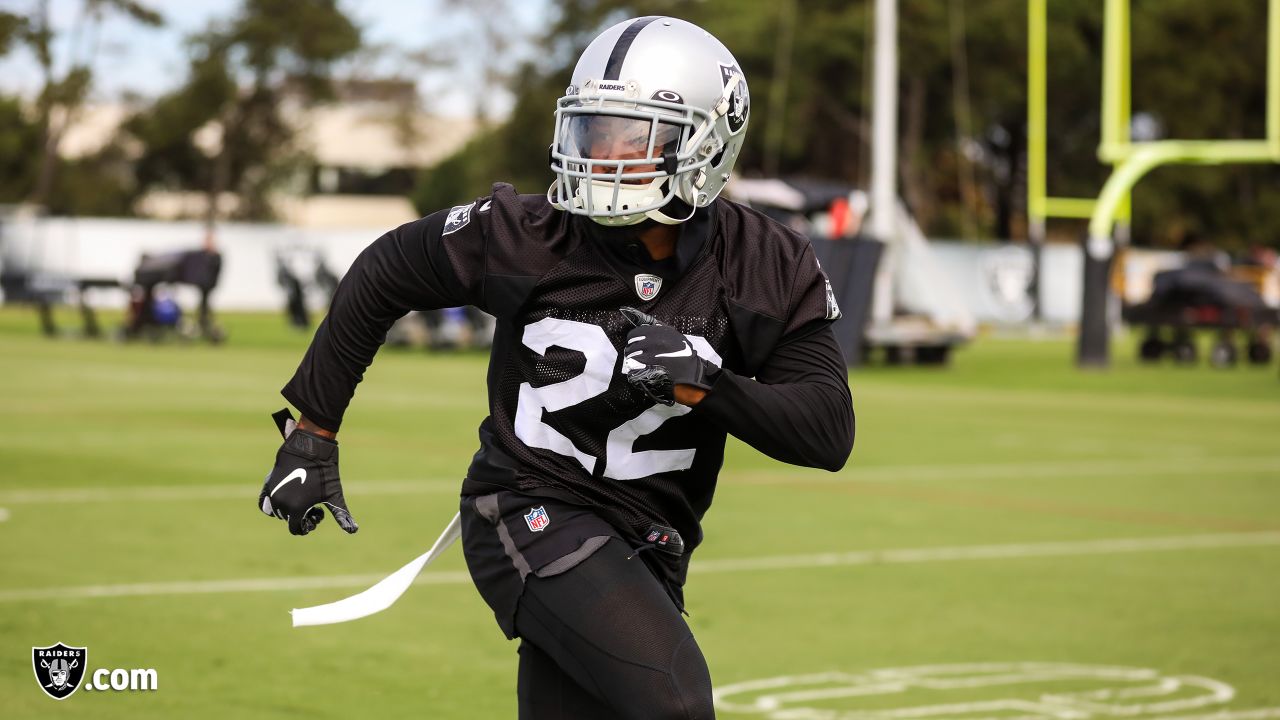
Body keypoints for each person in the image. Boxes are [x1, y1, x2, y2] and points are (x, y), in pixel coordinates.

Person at [257, 16, 855, 719]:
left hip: (650, 539)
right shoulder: (527, 234)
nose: (604, 155)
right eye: (593, 131)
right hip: (527, 505)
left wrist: (709, 385)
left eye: (634, 136)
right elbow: (384, 270)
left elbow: (827, 432)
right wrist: (313, 433)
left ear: (708, 145)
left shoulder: (764, 262)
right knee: (676, 703)